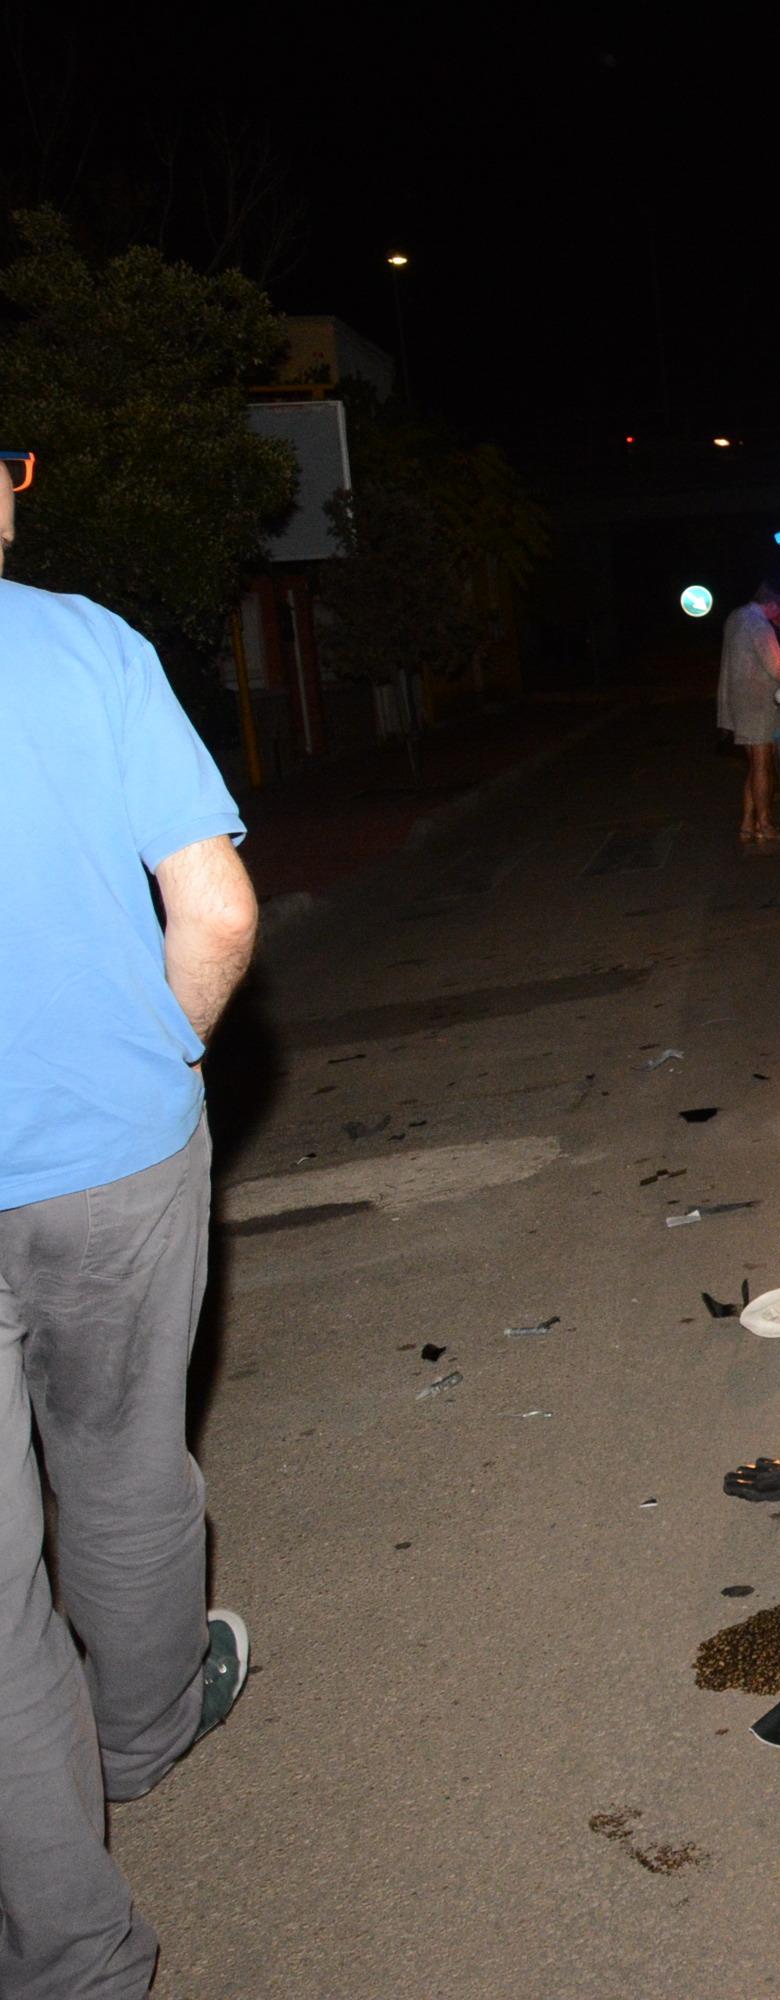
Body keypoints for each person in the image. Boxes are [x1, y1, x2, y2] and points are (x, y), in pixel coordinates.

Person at [0, 454, 260, 1995]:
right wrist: (156, 1060)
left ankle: (70, 1955)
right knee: (118, 1470)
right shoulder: (81, 646)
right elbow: (216, 909)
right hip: (109, 1163)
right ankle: (149, 1732)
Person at [716, 577, 780, 844]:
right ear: (772, 603)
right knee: (764, 765)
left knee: (755, 766)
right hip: (758, 704)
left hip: (739, 702)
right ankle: (764, 824)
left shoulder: (736, 616)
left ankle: (746, 825)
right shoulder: (758, 623)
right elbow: (774, 668)